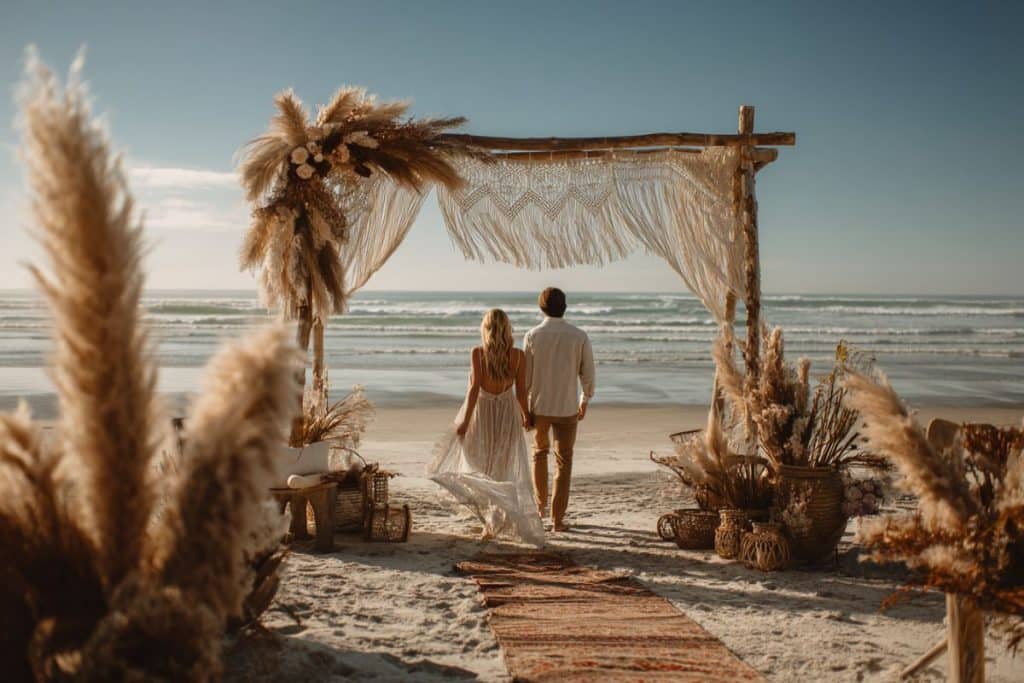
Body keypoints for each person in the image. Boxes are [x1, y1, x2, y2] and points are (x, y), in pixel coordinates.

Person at [427, 309, 544, 545]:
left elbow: (473, 390)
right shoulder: (518, 356)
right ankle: (496, 516)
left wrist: (465, 421)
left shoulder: (478, 354)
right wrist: (526, 415)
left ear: (486, 329)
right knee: (501, 465)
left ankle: (492, 519)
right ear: (507, 329)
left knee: (480, 463)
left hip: (483, 412)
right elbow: (521, 393)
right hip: (506, 414)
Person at [523, 287, 595, 532]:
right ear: (564, 306)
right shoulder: (579, 335)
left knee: (539, 454)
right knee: (564, 461)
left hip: (540, 407)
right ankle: (558, 519)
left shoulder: (533, 335)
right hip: (567, 407)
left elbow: (526, 378)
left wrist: (525, 410)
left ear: (541, 307)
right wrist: (585, 399)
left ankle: (540, 509)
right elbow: (588, 372)